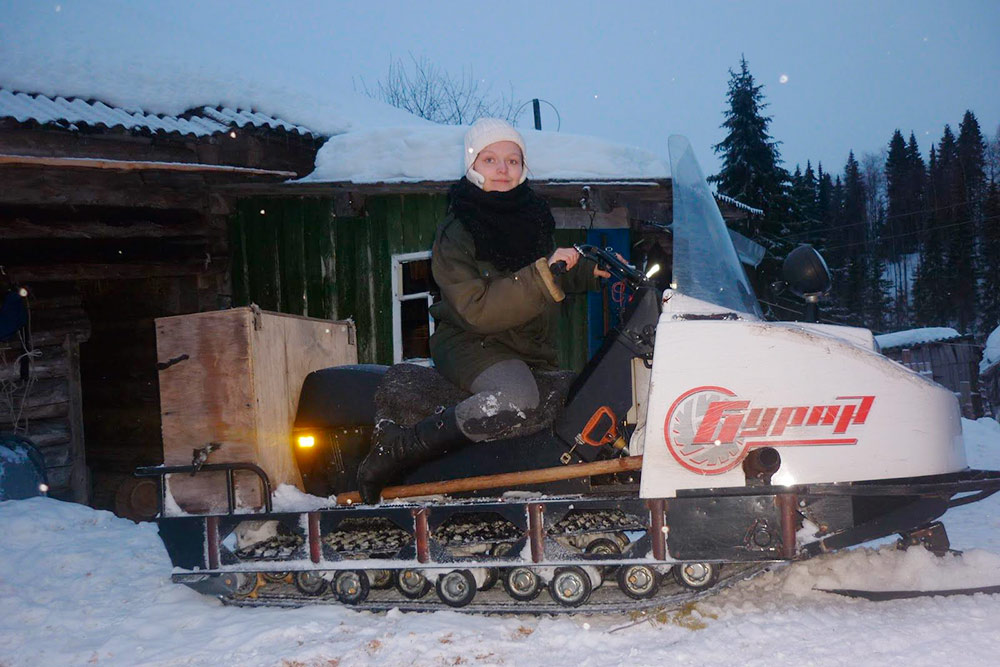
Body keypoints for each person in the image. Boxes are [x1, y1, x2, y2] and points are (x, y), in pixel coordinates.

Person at [357, 118, 608, 504]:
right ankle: (401, 447)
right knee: (516, 397)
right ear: (472, 166)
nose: (503, 169)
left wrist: (594, 273)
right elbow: (477, 308)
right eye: (490, 159)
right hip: (471, 340)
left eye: (512, 159)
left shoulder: (531, 216)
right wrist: (544, 275)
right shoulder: (458, 229)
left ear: (524, 167)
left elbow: (543, 274)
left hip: (522, 343)